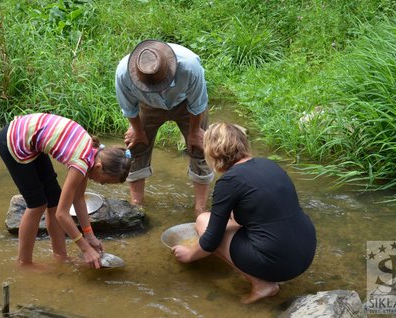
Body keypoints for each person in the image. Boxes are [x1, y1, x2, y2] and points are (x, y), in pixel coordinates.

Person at [171, 123, 317, 304]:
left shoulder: (229, 181)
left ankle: (262, 285)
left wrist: (189, 254)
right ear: (242, 143)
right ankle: (268, 271)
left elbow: (211, 240)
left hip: (278, 261)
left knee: (202, 221)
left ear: (213, 151)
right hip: (306, 251)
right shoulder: (269, 165)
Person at [0, 113, 131, 270]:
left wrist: (90, 236)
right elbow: (62, 214)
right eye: (105, 180)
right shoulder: (81, 163)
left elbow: (78, 199)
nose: (101, 183)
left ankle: (60, 256)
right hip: (13, 142)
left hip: (30, 141)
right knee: (37, 204)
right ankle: (24, 263)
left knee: (54, 201)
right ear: (99, 167)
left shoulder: (92, 155)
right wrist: (85, 248)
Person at [115, 39, 214, 215]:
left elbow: (198, 104)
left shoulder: (189, 66)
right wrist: (137, 131)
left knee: (200, 147)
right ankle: (136, 204)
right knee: (136, 146)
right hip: (147, 104)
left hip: (187, 104)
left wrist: (194, 132)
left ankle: (200, 208)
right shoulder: (124, 73)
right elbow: (129, 108)